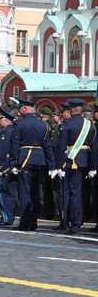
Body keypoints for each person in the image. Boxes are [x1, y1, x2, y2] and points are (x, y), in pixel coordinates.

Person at [8, 97, 55, 231]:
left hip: (25, 159)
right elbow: (47, 146)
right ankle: (33, 221)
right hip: (39, 160)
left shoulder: (20, 124)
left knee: (24, 192)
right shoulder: (43, 125)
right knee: (35, 191)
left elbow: (15, 144)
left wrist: (13, 163)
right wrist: (51, 165)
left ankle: (25, 222)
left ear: (24, 109)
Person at [55, 98, 97, 234]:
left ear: (72, 110)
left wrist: (58, 166)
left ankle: (73, 223)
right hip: (86, 161)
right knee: (81, 193)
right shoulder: (89, 125)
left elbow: (61, 147)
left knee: (71, 194)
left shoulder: (66, 124)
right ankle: (79, 220)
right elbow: (94, 146)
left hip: (71, 161)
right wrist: (94, 166)